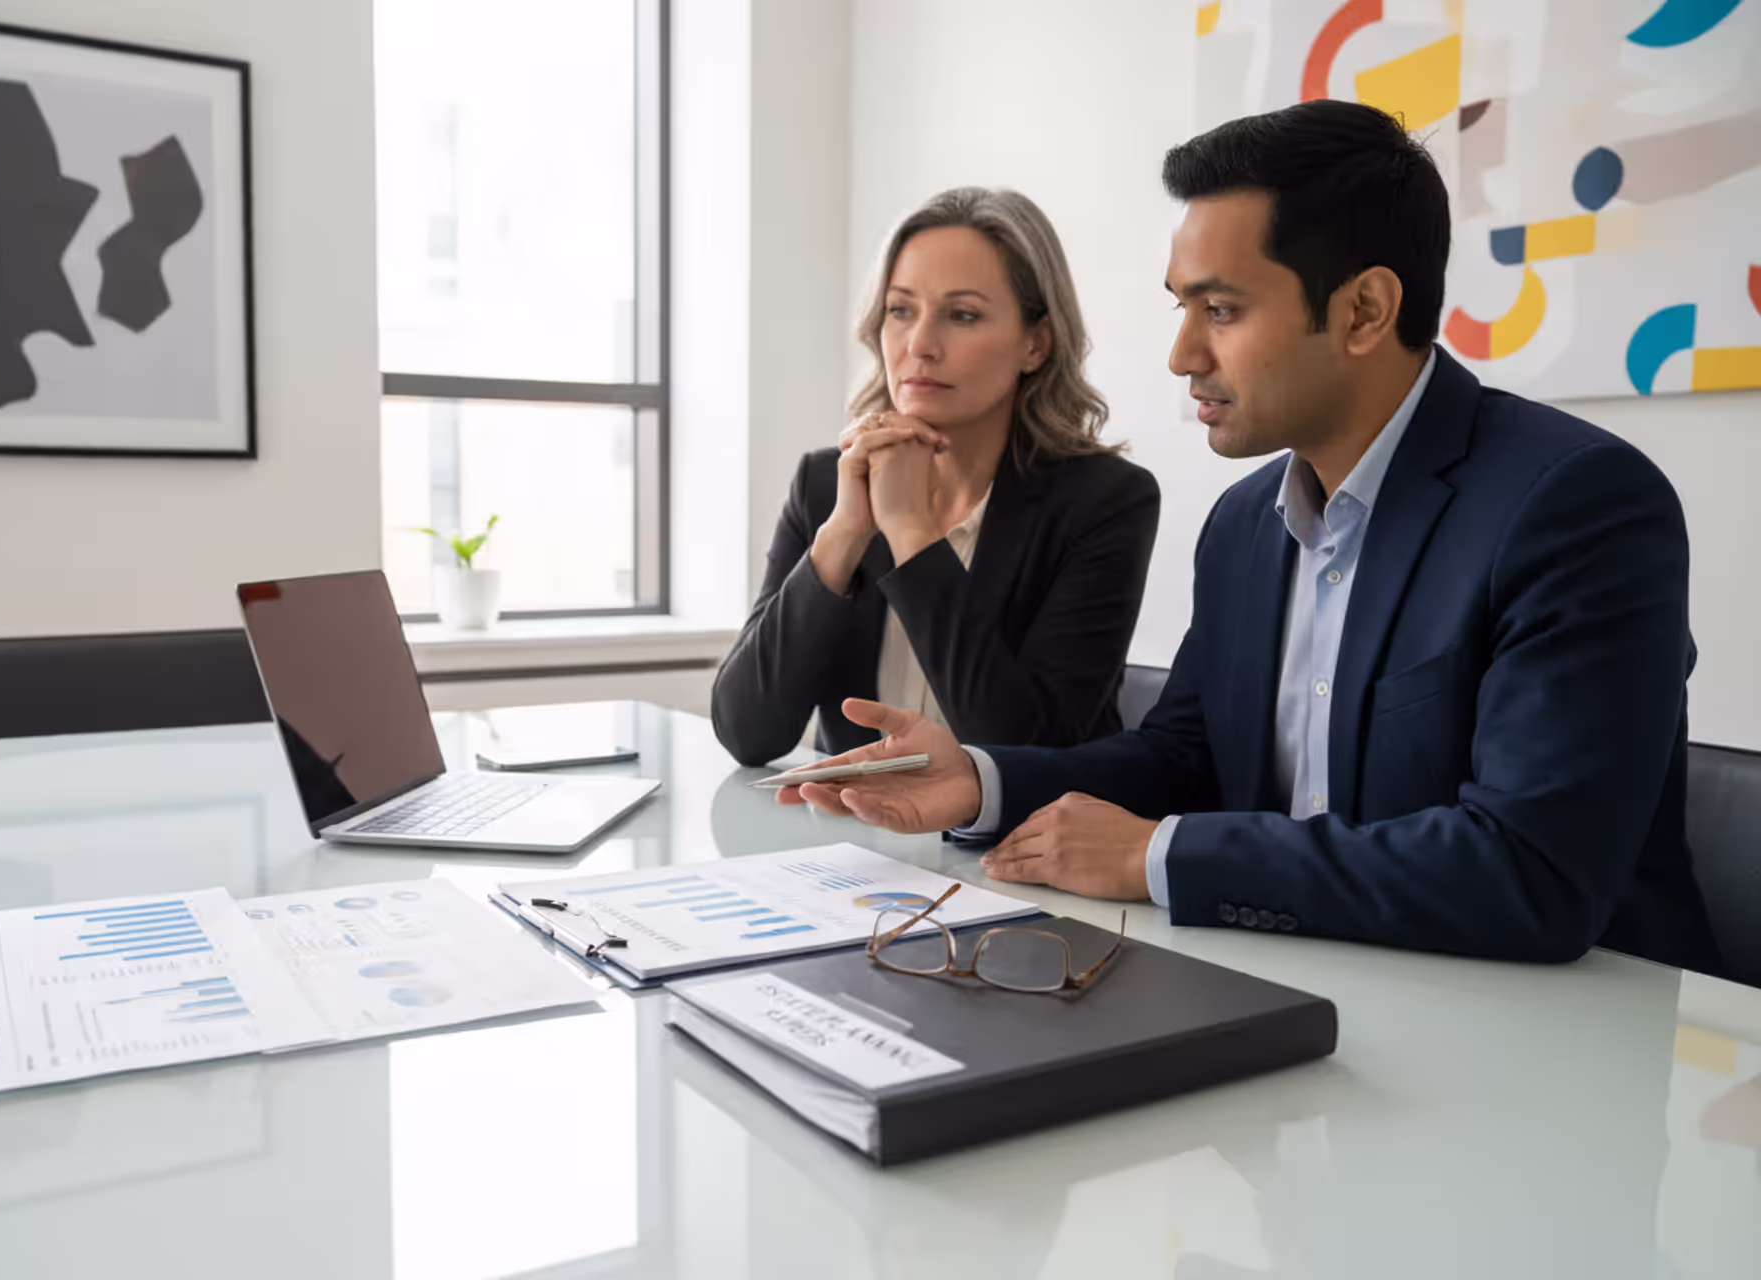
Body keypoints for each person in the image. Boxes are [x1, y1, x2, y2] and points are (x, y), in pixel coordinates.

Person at [776, 102, 1723, 973]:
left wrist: (1161, 854)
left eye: (1220, 310)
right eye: (1181, 306)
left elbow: (1532, 875)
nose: (1183, 353)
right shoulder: (1245, 522)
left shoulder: (1576, 504)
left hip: (1565, 1046)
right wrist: (979, 781)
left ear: (1363, 312)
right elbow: (1189, 758)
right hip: (1317, 986)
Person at [711, 188, 1161, 767]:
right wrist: (846, 532)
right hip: (853, 843)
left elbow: (1022, 748)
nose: (919, 345)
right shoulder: (825, 484)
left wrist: (912, 532)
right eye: (901, 310)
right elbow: (749, 733)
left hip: (1010, 848)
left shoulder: (1105, 502)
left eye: (963, 315)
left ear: (1035, 343)